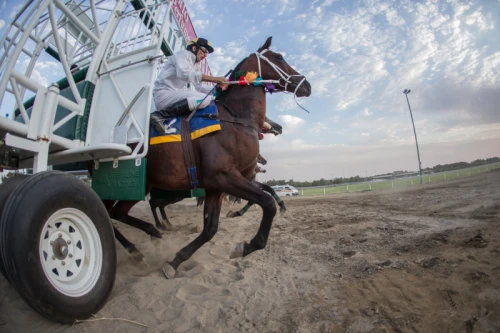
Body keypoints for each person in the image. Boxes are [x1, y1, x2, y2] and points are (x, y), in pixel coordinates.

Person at [151, 37, 228, 134]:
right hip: (163, 95)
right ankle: (159, 115)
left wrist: (217, 87)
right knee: (205, 99)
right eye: (204, 50)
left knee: (206, 98)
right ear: (194, 48)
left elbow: (200, 87)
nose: (205, 55)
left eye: (207, 53)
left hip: (171, 96)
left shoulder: (195, 66)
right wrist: (215, 78)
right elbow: (184, 74)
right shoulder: (183, 54)